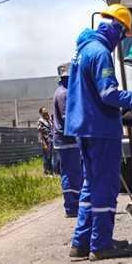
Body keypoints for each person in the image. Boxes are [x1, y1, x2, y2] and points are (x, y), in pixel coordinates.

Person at [65, 3, 132, 261]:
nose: (120, 42)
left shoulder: (83, 50)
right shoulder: (101, 53)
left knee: (89, 185)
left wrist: (119, 115)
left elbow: (90, 95)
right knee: (105, 188)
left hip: (84, 126)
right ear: (116, 29)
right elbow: (108, 94)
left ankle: (81, 242)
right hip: (100, 131)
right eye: (122, 35)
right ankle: (101, 244)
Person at [52, 62, 82, 218]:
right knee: (71, 173)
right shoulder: (65, 94)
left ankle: (74, 205)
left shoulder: (61, 91)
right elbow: (67, 118)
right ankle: (71, 207)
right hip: (67, 139)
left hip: (64, 140)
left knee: (71, 172)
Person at [37, 107, 53, 175]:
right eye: (44, 111)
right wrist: (44, 144)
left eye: (46, 111)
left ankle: (51, 171)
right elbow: (40, 133)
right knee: (46, 157)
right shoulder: (40, 121)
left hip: (51, 141)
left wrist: (49, 119)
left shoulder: (49, 120)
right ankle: (46, 172)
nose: (46, 112)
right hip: (46, 141)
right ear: (41, 113)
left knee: (51, 157)